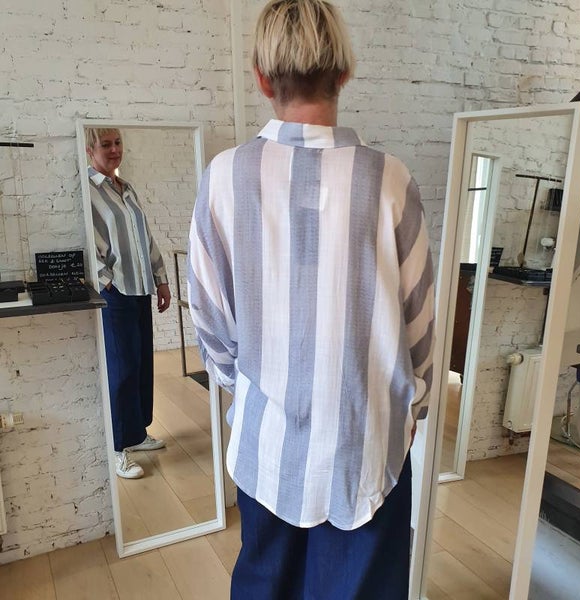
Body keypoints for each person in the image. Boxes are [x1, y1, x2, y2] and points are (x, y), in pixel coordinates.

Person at [187, 1, 435, 597]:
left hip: (267, 445)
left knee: (264, 584)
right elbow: (420, 326)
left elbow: (212, 327)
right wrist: (414, 408)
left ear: (261, 78)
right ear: (344, 73)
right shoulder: (389, 179)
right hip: (365, 445)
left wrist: (258, 392)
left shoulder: (224, 177)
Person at [86, 128, 171, 479]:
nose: (114, 149)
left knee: (141, 364)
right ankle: (119, 447)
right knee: (121, 370)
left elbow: (145, 239)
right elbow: (88, 243)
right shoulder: (88, 191)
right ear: (89, 148)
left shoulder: (127, 188)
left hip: (141, 288)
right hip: (116, 293)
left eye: (117, 143)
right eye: (106, 144)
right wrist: (107, 281)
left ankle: (137, 434)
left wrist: (161, 278)